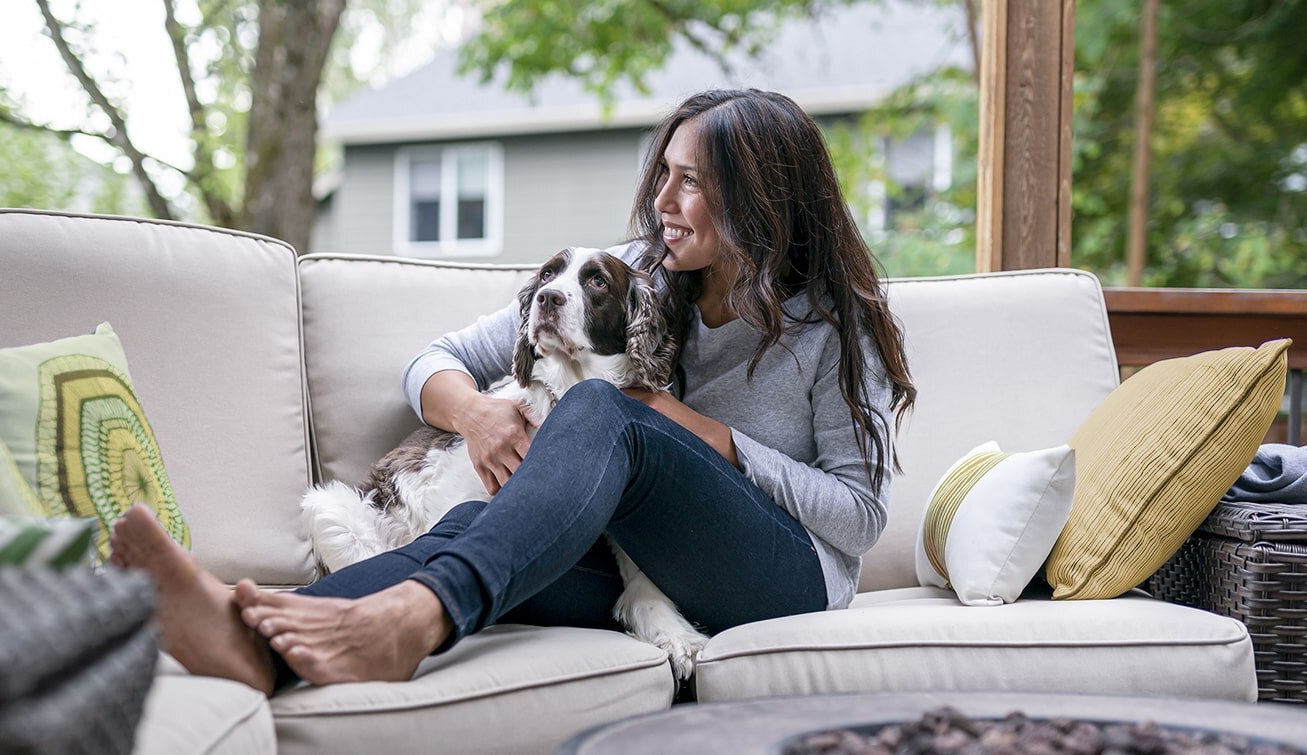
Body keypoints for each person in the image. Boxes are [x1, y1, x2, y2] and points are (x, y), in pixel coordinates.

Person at [109, 88, 917, 695]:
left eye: (692, 183)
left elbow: (859, 514)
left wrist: (712, 437)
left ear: (760, 199)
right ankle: (251, 639)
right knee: (473, 519)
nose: (664, 201)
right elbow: (436, 360)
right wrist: (477, 413)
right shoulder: (637, 273)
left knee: (602, 406)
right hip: (648, 567)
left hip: (781, 577)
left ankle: (418, 619)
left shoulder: (832, 326)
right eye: (663, 174)